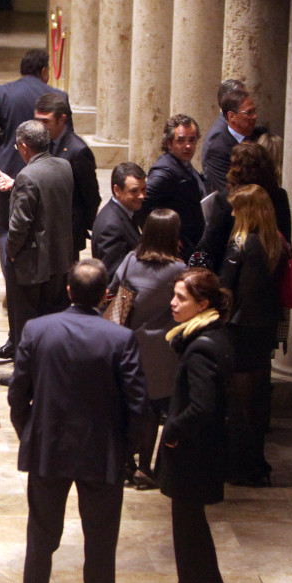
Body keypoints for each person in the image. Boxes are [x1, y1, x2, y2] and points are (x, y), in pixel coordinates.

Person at [8, 259, 149, 583]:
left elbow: (18, 395)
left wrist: (31, 434)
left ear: (68, 291)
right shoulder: (120, 338)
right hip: (101, 454)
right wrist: (126, 449)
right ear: (105, 295)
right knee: (100, 548)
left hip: (48, 451)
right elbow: (139, 406)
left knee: (41, 542)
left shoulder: (37, 330)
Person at [0, 49, 68, 359]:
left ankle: (17, 300)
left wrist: (1, 148)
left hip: (8, 169)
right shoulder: (58, 96)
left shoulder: (3, 92)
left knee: (8, 231)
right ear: (44, 71)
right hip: (45, 171)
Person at [159, 267, 234, 583]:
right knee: (195, 531)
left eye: (181, 298)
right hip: (203, 452)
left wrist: (173, 431)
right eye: (174, 296)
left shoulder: (202, 347)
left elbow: (202, 406)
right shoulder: (212, 334)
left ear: (202, 304)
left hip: (193, 454)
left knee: (188, 535)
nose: (173, 303)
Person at [108, 209, 185, 488]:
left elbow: (113, 289)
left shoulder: (130, 260)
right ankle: (144, 468)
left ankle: (125, 462)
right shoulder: (179, 269)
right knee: (152, 409)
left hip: (129, 344)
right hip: (162, 349)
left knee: (129, 405)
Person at [220, 185, 286, 487]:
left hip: (240, 329)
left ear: (247, 212)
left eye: (236, 208)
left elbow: (226, 288)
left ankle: (241, 467)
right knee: (258, 400)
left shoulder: (240, 244)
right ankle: (257, 462)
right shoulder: (276, 243)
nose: (233, 213)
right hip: (265, 328)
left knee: (239, 403)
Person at [6, 120, 73, 351]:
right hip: (59, 259)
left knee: (27, 326)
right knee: (52, 322)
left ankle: (26, 368)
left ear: (24, 146)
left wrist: (11, 252)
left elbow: (19, 224)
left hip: (32, 265)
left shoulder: (27, 175)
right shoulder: (64, 166)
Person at [193, 141, 292, 271]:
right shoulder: (279, 196)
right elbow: (285, 240)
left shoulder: (226, 200)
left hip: (234, 271)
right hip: (272, 270)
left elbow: (211, 245)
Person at [34, 92, 100, 261]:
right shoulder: (41, 143)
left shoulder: (78, 151)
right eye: (37, 121)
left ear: (62, 119)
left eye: (45, 121)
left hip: (66, 234)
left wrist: (79, 227)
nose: (40, 126)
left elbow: (91, 196)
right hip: (43, 230)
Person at [143, 115, 206, 257]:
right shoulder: (164, 171)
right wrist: (161, 235)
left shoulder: (183, 163)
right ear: (169, 143)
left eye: (192, 140)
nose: (188, 146)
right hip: (178, 247)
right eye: (181, 141)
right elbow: (142, 203)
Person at [92, 162, 147, 277]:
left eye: (143, 189)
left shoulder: (127, 211)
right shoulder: (112, 228)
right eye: (134, 191)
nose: (142, 196)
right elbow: (113, 276)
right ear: (117, 190)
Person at [202, 80, 255, 195]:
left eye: (254, 111)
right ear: (231, 115)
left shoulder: (257, 135)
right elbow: (226, 191)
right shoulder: (217, 144)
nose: (255, 116)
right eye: (249, 112)